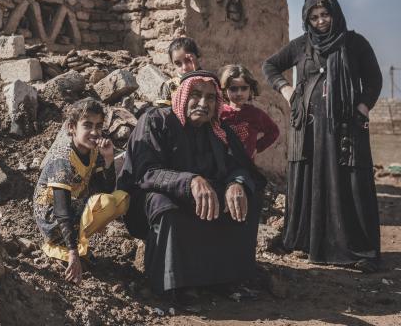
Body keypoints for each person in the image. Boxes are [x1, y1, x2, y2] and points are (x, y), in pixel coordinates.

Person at [262, 0, 382, 272]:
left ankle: (357, 247)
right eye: (314, 17)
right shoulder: (302, 45)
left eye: (325, 15)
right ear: (308, 19)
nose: (320, 21)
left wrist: (363, 108)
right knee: (311, 181)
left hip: (345, 130)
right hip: (309, 129)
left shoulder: (354, 43)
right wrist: (288, 90)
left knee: (350, 182)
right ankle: (307, 241)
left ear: (335, 14)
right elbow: (270, 66)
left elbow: (374, 79)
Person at [118, 70, 266, 296]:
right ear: (183, 96)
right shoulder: (156, 120)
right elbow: (146, 173)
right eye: (195, 95)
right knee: (164, 206)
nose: (202, 103)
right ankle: (175, 284)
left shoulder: (219, 130)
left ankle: (226, 279)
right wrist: (190, 181)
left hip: (204, 196)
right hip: (153, 196)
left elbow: (240, 167)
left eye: (210, 98)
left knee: (248, 197)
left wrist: (236, 183)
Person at [33, 98, 130, 284]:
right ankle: (66, 247)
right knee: (107, 203)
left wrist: (109, 158)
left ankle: (76, 243)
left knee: (120, 199)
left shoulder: (93, 151)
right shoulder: (63, 159)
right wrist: (73, 254)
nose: (94, 132)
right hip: (53, 219)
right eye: (87, 125)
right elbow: (61, 210)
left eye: (98, 126)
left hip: (75, 206)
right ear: (71, 128)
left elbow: (105, 189)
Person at [219, 64, 280, 161]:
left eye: (244, 88)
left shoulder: (255, 114)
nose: (239, 93)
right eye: (233, 89)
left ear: (250, 89)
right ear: (225, 90)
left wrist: (257, 148)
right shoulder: (219, 113)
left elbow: (273, 131)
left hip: (245, 167)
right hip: (221, 165)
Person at [155, 37, 203, 107]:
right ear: (172, 64)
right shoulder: (170, 86)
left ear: (198, 58)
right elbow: (163, 113)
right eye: (178, 63)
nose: (184, 67)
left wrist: (197, 73)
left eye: (188, 60)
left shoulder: (208, 82)